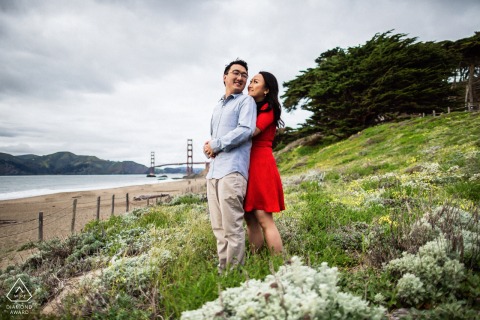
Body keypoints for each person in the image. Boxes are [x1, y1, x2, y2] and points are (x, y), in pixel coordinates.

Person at [203, 59, 257, 273]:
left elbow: (245, 130)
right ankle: (223, 271)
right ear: (224, 77)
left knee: (232, 227)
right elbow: (215, 138)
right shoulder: (217, 106)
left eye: (244, 74)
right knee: (218, 228)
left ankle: (235, 274)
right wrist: (208, 146)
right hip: (214, 172)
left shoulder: (246, 102)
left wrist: (216, 144)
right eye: (236, 73)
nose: (241, 77)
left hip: (232, 171)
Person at [243, 71, 285, 254]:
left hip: (260, 164)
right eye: (250, 81)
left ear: (266, 89)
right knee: (250, 218)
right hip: (248, 163)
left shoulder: (269, 108)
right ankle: (256, 263)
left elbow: (250, 132)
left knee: (264, 218)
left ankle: (279, 264)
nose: (250, 84)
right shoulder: (252, 107)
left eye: (255, 82)